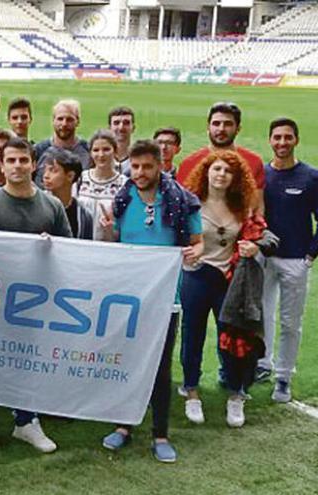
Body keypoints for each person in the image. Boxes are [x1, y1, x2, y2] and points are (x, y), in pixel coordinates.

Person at [97, 139, 203, 464]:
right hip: (128, 296)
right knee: (125, 360)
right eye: (135, 166)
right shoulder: (123, 198)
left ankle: (160, 433)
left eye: (147, 167)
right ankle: (124, 425)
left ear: (160, 166)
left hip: (164, 298)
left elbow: (197, 245)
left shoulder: (182, 202)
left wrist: (195, 252)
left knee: (159, 367)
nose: (140, 173)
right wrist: (107, 229)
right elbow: (116, 240)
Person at [0, 137, 70, 459]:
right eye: (10, 160)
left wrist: (50, 246)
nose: (16, 166)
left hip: (35, 301)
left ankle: (26, 420)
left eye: (23, 161)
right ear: (0, 164)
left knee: (28, 360)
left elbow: (70, 251)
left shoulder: (51, 206)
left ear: (34, 164)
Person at [179, 150, 262, 427]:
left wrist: (255, 246)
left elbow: (263, 234)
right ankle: (191, 390)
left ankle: (235, 394)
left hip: (229, 280)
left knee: (232, 336)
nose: (221, 175)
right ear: (207, 172)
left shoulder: (243, 206)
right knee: (193, 333)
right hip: (197, 275)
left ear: (235, 177)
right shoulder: (192, 203)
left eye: (228, 171)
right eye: (217, 169)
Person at [258, 118, 318, 401]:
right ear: (270, 140)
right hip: (264, 257)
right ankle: (262, 363)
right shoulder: (262, 175)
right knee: (261, 314)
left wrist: (310, 254)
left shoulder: (310, 177)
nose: (282, 143)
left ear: (296, 140)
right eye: (277, 137)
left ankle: (283, 376)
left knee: (290, 321)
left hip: (296, 259)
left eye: (287, 137)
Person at [177, 102, 265, 213]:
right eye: (216, 123)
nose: (221, 129)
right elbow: (182, 206)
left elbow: (257, 206)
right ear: (208, 127)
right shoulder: (189, 164)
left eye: (228, 124)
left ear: (238, 128)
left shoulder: (253, 162)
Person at [76, 130, 127, 241]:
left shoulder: (124, 185)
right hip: (81, 246)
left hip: (110, 248)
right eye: (96, 150)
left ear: (115, 151)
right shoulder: (80, 179)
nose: (101, 155)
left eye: (106, 149)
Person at [33, 100, 90, 188]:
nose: (64, 124)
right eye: (60, 119)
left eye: (69, 119)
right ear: (53, 121)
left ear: (77, 121)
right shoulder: (39, 150)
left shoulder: (88, 150)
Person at [42, 148, 93, 240]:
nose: (46, 176)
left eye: (53, 171)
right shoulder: (39, 205)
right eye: (45, 170)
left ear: (70, 176)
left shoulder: (83, 215)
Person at [109, 106, 136, 173]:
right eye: (116, 123)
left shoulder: (140, 156)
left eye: (126, 123)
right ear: (109, 128)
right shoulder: (101, 156)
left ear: (133, 128)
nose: (121, 127)